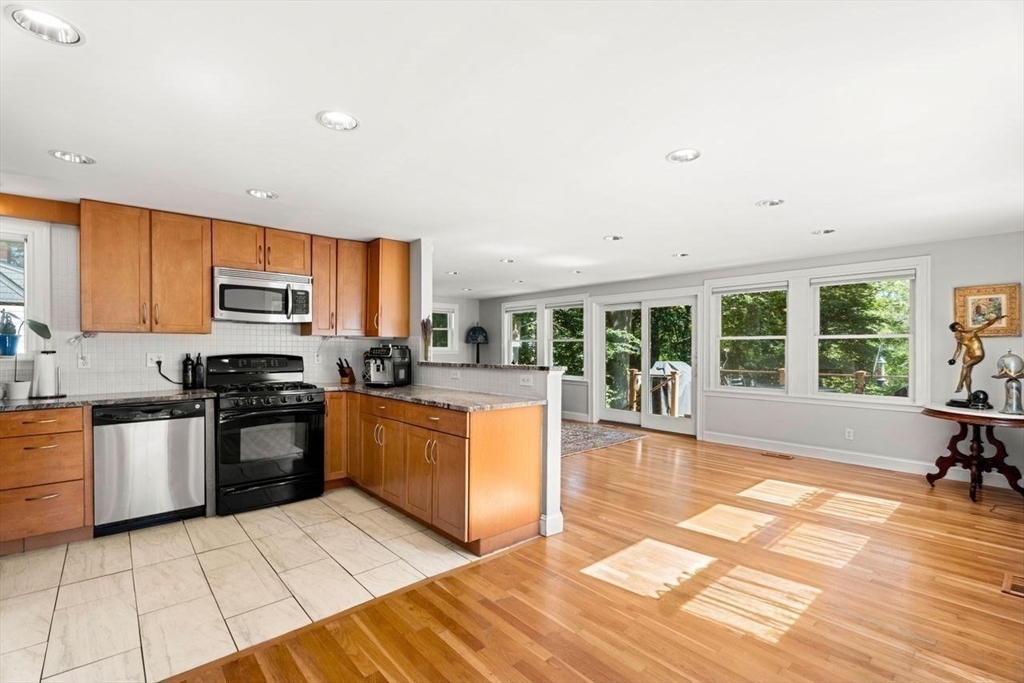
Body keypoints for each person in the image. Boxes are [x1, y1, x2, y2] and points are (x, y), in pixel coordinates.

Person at [948, 315, 1007, 395]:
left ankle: (960, 384)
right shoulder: (960, 338)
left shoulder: (972, 332)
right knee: (967, 374)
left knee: (964, 366)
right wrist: (953, 359)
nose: (960, 327)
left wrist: (996, 318)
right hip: (967, 355)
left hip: (978, 354)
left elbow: (987, 324)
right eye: (957, 327)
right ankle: (969, 394)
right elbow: (958, 350)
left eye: (959, 325)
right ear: (955, 330)